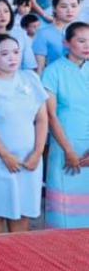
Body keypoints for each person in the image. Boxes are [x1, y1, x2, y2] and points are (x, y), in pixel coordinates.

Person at [0, 34, 48, 234]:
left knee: (22, 216)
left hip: (28, 160)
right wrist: (5, 155)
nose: (12, 57)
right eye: (4, 54)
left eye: (16, 52)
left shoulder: (30, 78)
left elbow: (42, 118)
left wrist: (38, 153)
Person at [43, 22, 89, 229]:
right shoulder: (53, 71)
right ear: (66, 43)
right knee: (64, 216)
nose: (87, 45)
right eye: (81, 41)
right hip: (65, 146)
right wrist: (69, 151)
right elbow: (51, 115)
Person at [33, 0, 80, 75]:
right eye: (64, 6)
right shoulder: (44, 34)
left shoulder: (85, 32)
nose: (69, 10)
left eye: (74, 6)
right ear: (54, 8)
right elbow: (40, 69)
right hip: (55, 79)